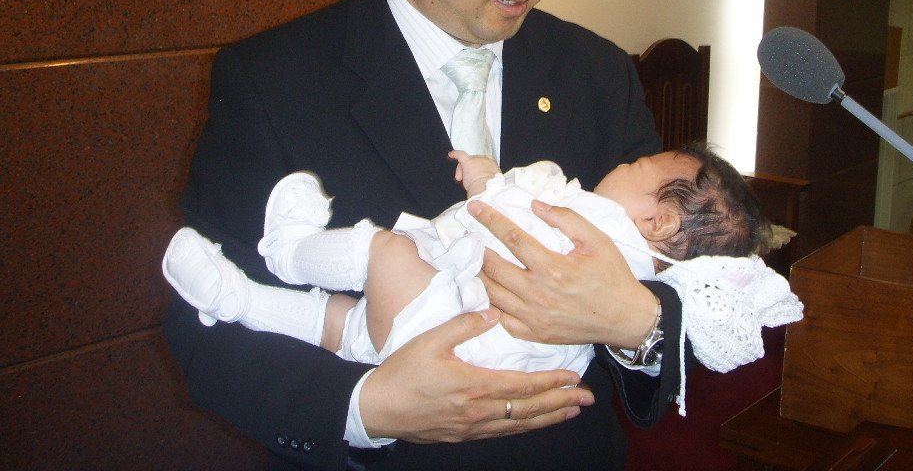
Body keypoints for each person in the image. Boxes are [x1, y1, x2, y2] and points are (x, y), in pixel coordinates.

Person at [164, 0, 683, 471]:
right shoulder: (274, 81)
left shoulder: (596, 73)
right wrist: (368, 408)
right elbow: (203, 329)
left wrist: (637, 325)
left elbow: (684, 275)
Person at [163, 144, 781, 390]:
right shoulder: (630, 256)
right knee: (345, 326)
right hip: (460, 351)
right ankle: (238, 300)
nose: (624, 161)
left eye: (639, 165)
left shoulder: (602, 229)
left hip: (453, 331)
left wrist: (490, 183)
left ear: (661, 221)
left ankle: (289, 249)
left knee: (384, 253)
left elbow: (515, 222)